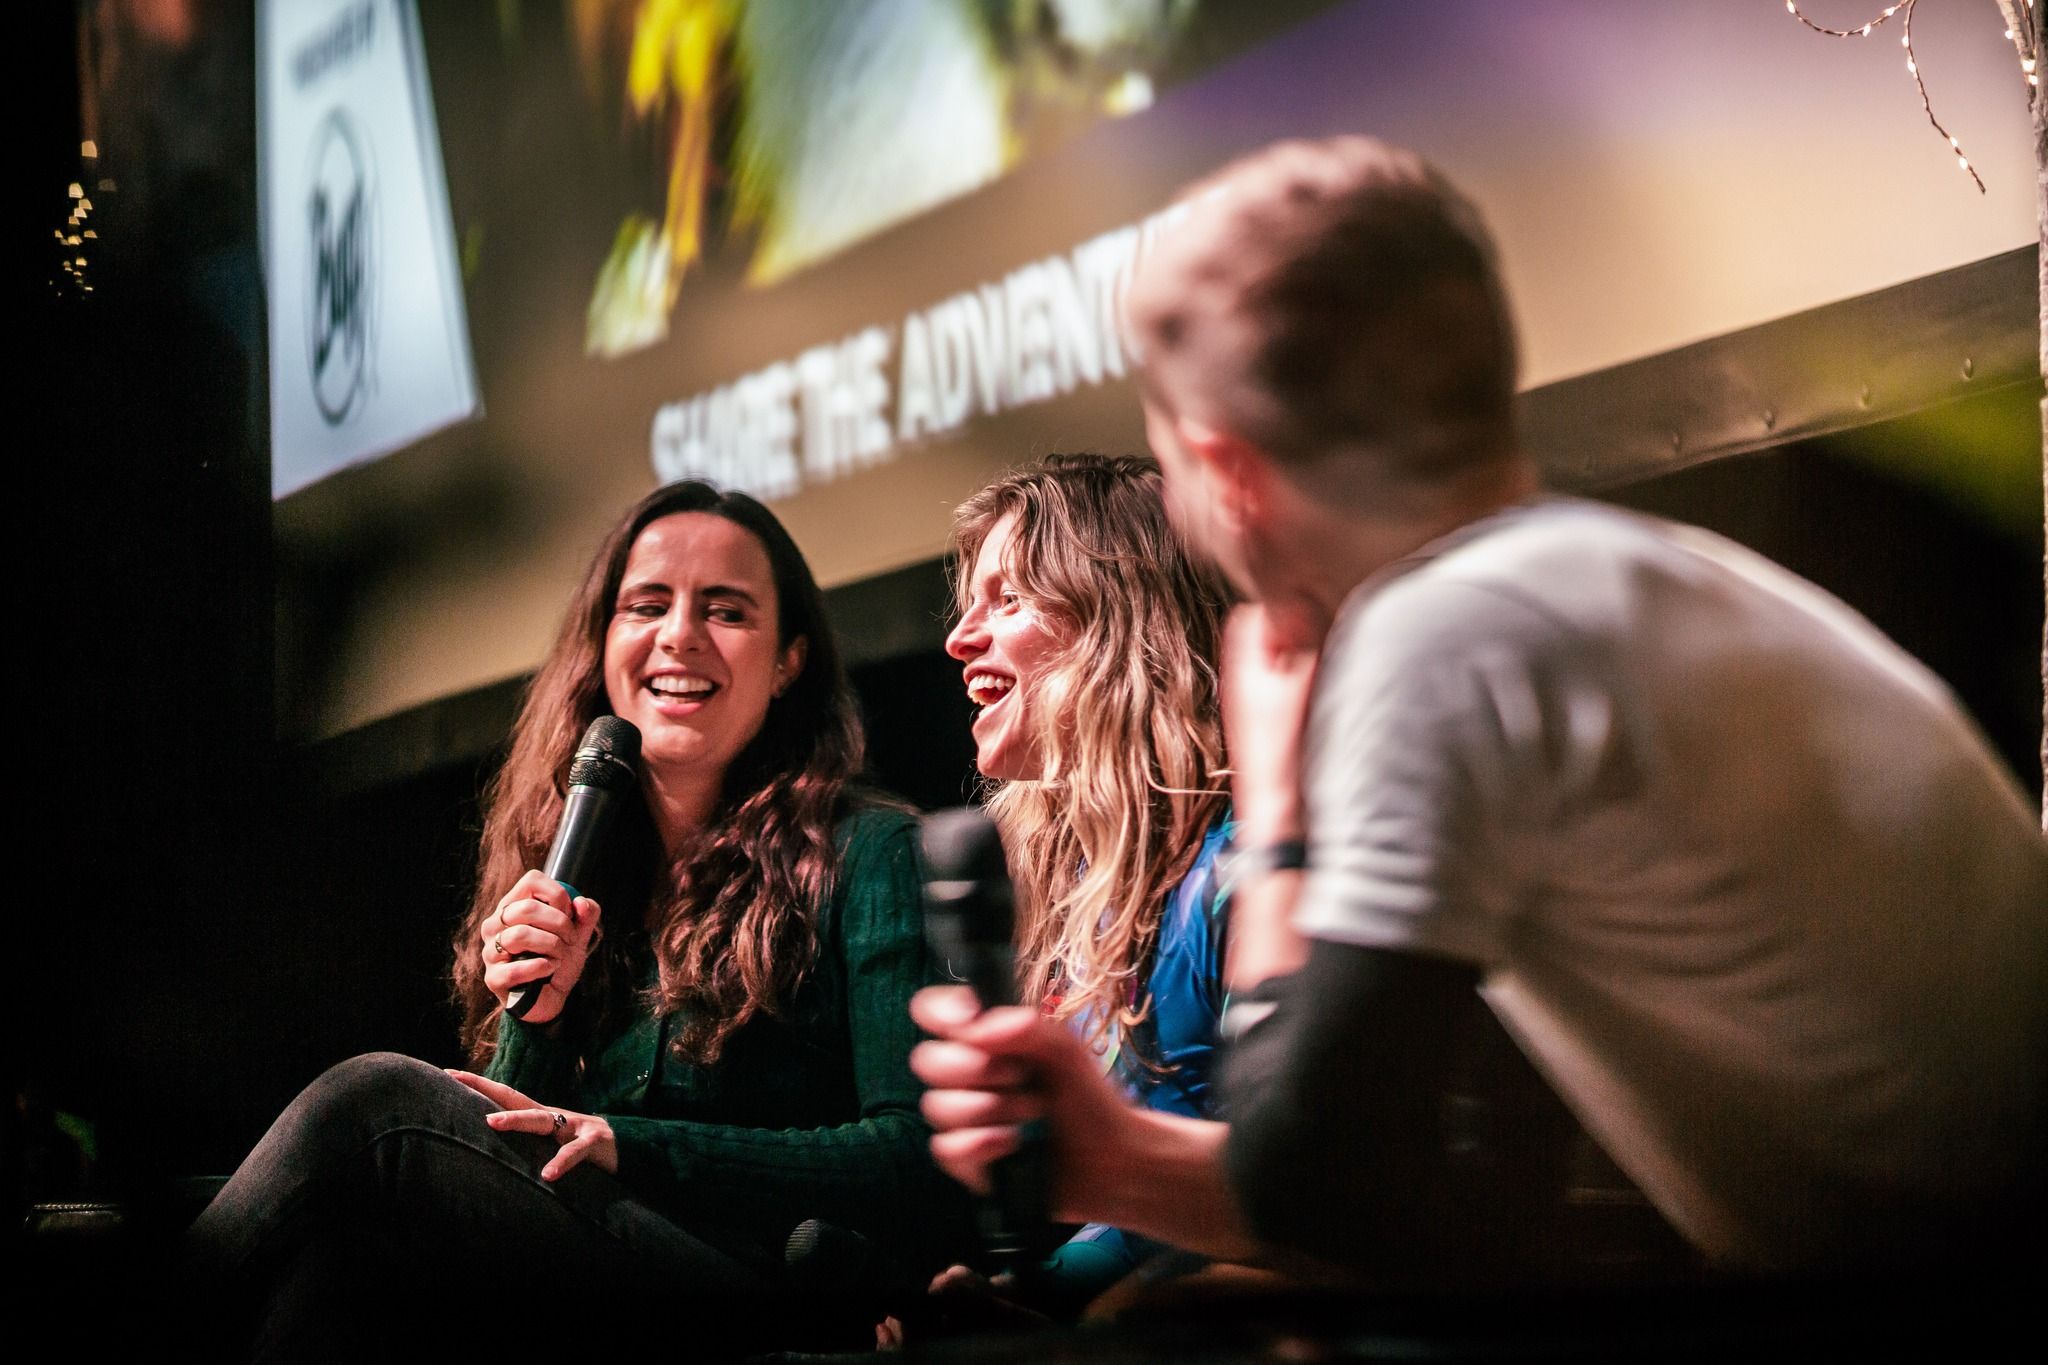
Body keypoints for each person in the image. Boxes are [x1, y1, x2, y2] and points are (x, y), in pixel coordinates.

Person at [910, 136, 2048, 1286]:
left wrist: (1282, 809)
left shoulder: (1447, 634)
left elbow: (1312, 1183)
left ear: (1226, 474)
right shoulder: (1590, 579)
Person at [189, 481, 966, 1360]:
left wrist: (622, 1145)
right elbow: (513, 1146)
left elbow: (913, 1154)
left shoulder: (871, 850)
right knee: (339, 1268)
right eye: (647, 604)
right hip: (593, 1269)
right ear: (602, 648)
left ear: (788, 660)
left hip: (771, 1291)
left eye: (726, 609)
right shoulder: (579, 857)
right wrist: (544, 1017)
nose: (680, 635)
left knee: (379, 1110)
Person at [920, 453, 1236, 1325]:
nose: (958, 638)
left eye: (1010, 598)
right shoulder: (1078, 903)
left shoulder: (1241, 874)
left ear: (1123, 622)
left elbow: (1344, 1202)